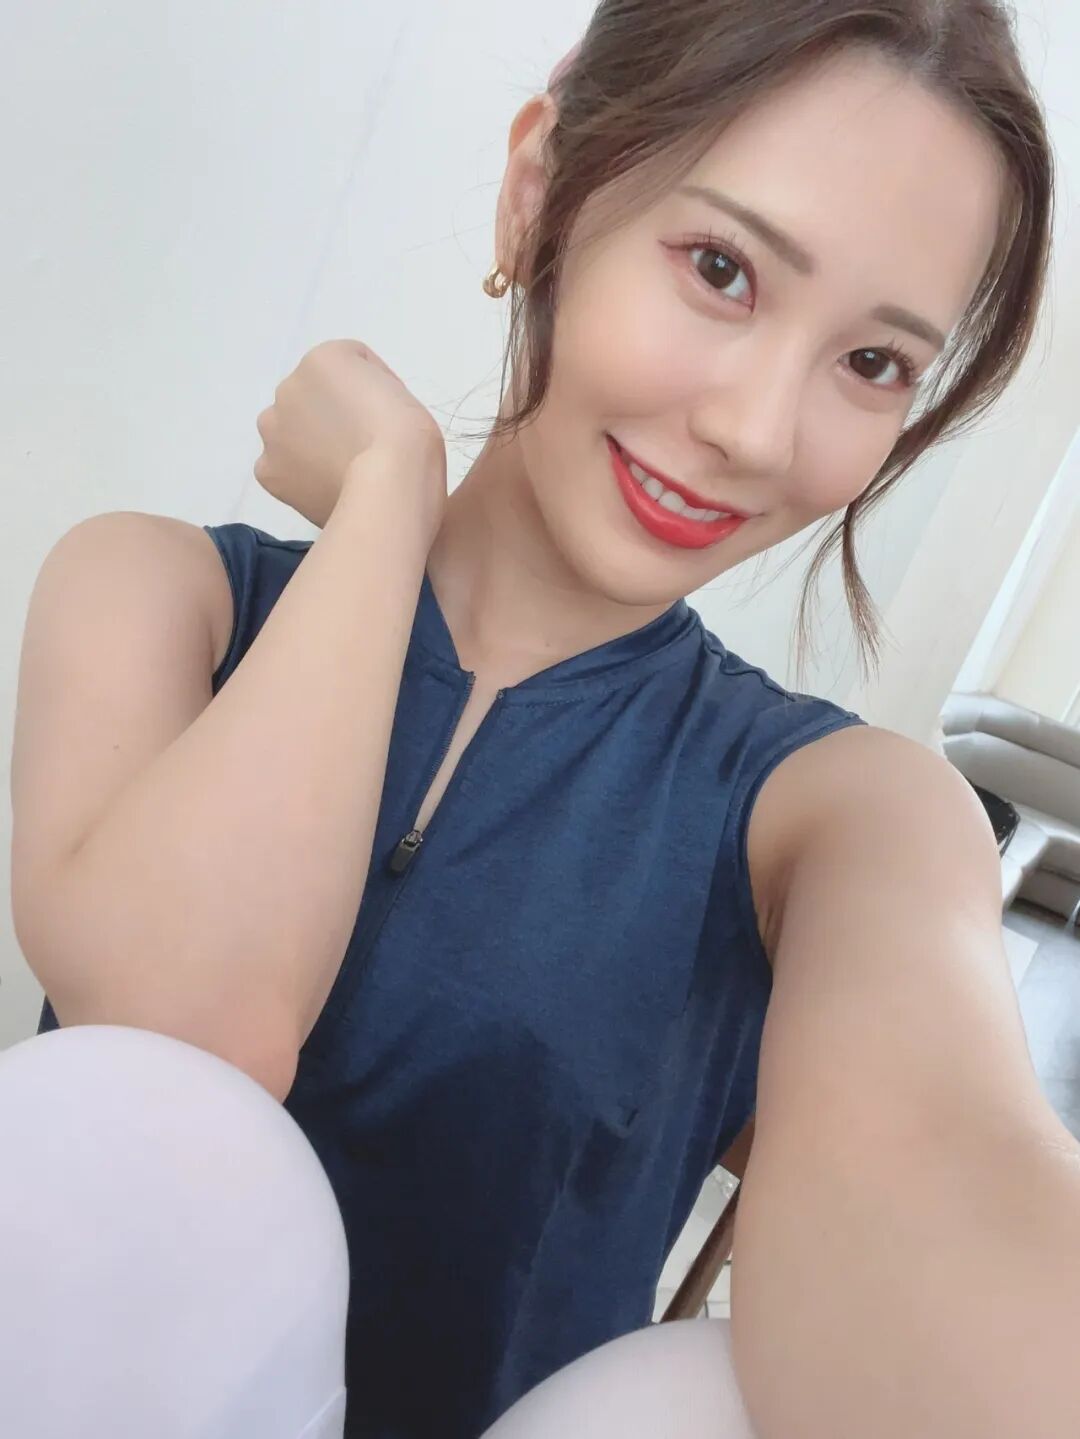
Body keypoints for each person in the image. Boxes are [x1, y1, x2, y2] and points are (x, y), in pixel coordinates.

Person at [10, 2, 1080, 1437]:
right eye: (721, 269)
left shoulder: (840, 814)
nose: (758, 430)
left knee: (696, 1402)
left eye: (874, 364)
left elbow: (961, 1235)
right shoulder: (159, 596)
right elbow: (182, 1055)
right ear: (539, 190)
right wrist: (387, 499)